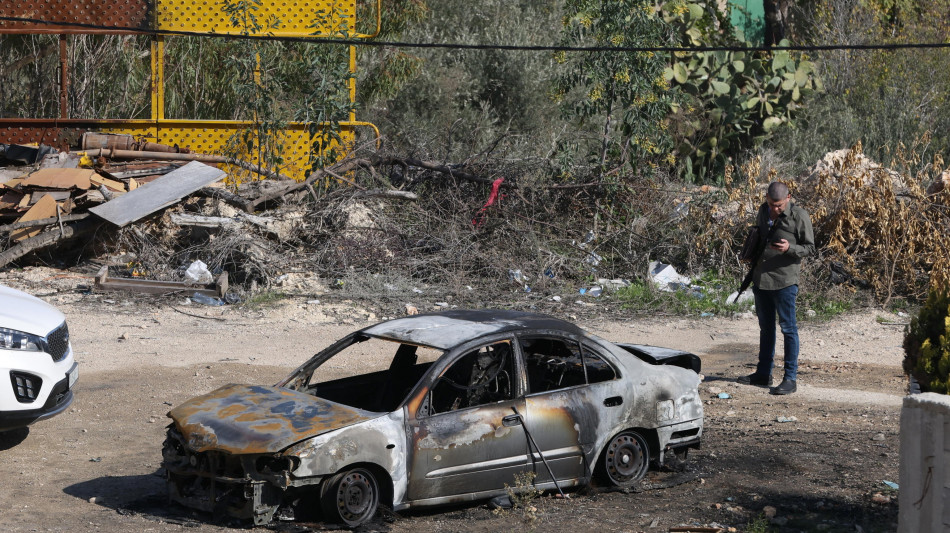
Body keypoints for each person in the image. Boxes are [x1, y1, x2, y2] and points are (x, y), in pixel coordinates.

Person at [737, 181, 815, 395]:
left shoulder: (799, 216)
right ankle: (763, 373)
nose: (774, 209)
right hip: (761, 279)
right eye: (771, 204)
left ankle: (790, 378)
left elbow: (809, 248)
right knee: (766, 329)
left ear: (788, 198)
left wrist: (790, 248)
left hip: (785, 281)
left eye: (779, 205)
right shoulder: (763, 211)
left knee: (788, 329)